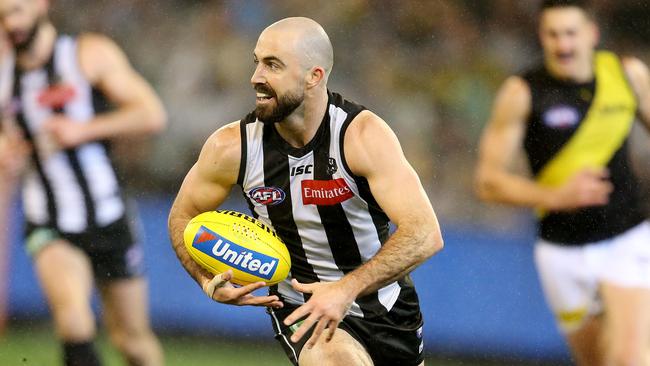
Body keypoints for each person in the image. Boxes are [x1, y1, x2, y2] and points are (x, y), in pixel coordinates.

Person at [168, 17, 443, 366]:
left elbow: (425, 233)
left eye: (273, 65)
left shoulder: (362, 137)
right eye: (257, 62)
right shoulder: (231, 147)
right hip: (303, 311)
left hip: (388, 310)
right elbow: (183, 214)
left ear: (314, 76)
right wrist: (207, 280)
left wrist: (345, 290)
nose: (256, 78)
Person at [475, 1, 650, 365]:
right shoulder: (522, 93)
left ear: (592, 34)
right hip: (561, 250)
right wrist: (556, 196)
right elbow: (488, 181)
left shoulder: (628, 75)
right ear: (542, 37)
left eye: (571, 33)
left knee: (627, 359)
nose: (563, 44)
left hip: (627, 235)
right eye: (553, 34)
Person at [0, 0, 165, 365]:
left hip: (107, 212)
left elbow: (151, 114)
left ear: (41, 5)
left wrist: (83, 130)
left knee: (132, 341)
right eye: (2, 16)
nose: (10, 24)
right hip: (47, 217)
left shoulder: (88, 54)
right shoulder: (3, 71)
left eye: (16, 11)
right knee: (73, 322)